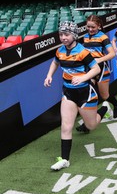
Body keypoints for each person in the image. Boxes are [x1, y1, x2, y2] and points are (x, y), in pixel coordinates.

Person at [44, 21, 108, 171]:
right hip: (68, 93)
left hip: (85, 93)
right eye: (61, 34)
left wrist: (83, 78)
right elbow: (55, 63)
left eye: (66, 34)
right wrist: (49, 76)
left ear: (74, 35)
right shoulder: (60, 51)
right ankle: (65, 159)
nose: (63, 37)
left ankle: (104, 109)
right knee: (66, 126)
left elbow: (96, 69)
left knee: (91, 125)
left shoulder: (83, 52)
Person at [76, 15, 117, 133]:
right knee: (89, 97)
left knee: (105, 96)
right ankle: (87, 125)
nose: (90, 29)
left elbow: (111, 54)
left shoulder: (102, 37)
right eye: (88, 27)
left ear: (99, 26)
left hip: (101, 69)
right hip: (89, 71)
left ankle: (115, 105)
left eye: (93, 27)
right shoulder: (85, 37)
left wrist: (98, 60)